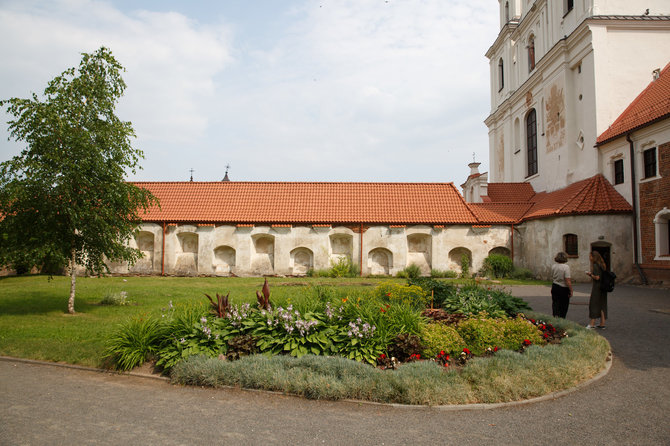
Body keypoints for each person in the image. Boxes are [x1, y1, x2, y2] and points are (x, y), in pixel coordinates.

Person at [586, 251, 608, 329]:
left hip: (597, 287)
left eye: (590, 256)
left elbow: (597, 277)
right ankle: (602, 323)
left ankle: (592, 323)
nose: (589, 258)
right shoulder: (602, 265)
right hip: (604, 287)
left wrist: (590, 275)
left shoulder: (596, 265)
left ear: (593, 257)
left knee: (594, 303)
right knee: (602, 304)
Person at [551, 252, 572, 318]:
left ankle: (555, 315)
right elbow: (567, 280)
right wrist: (571, 290)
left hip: (555, 286)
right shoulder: (566, 267)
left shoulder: (554, 266)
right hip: (563, 287)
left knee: (555, 303)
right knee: (564, 305)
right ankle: (562, 317)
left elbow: (552, 275)